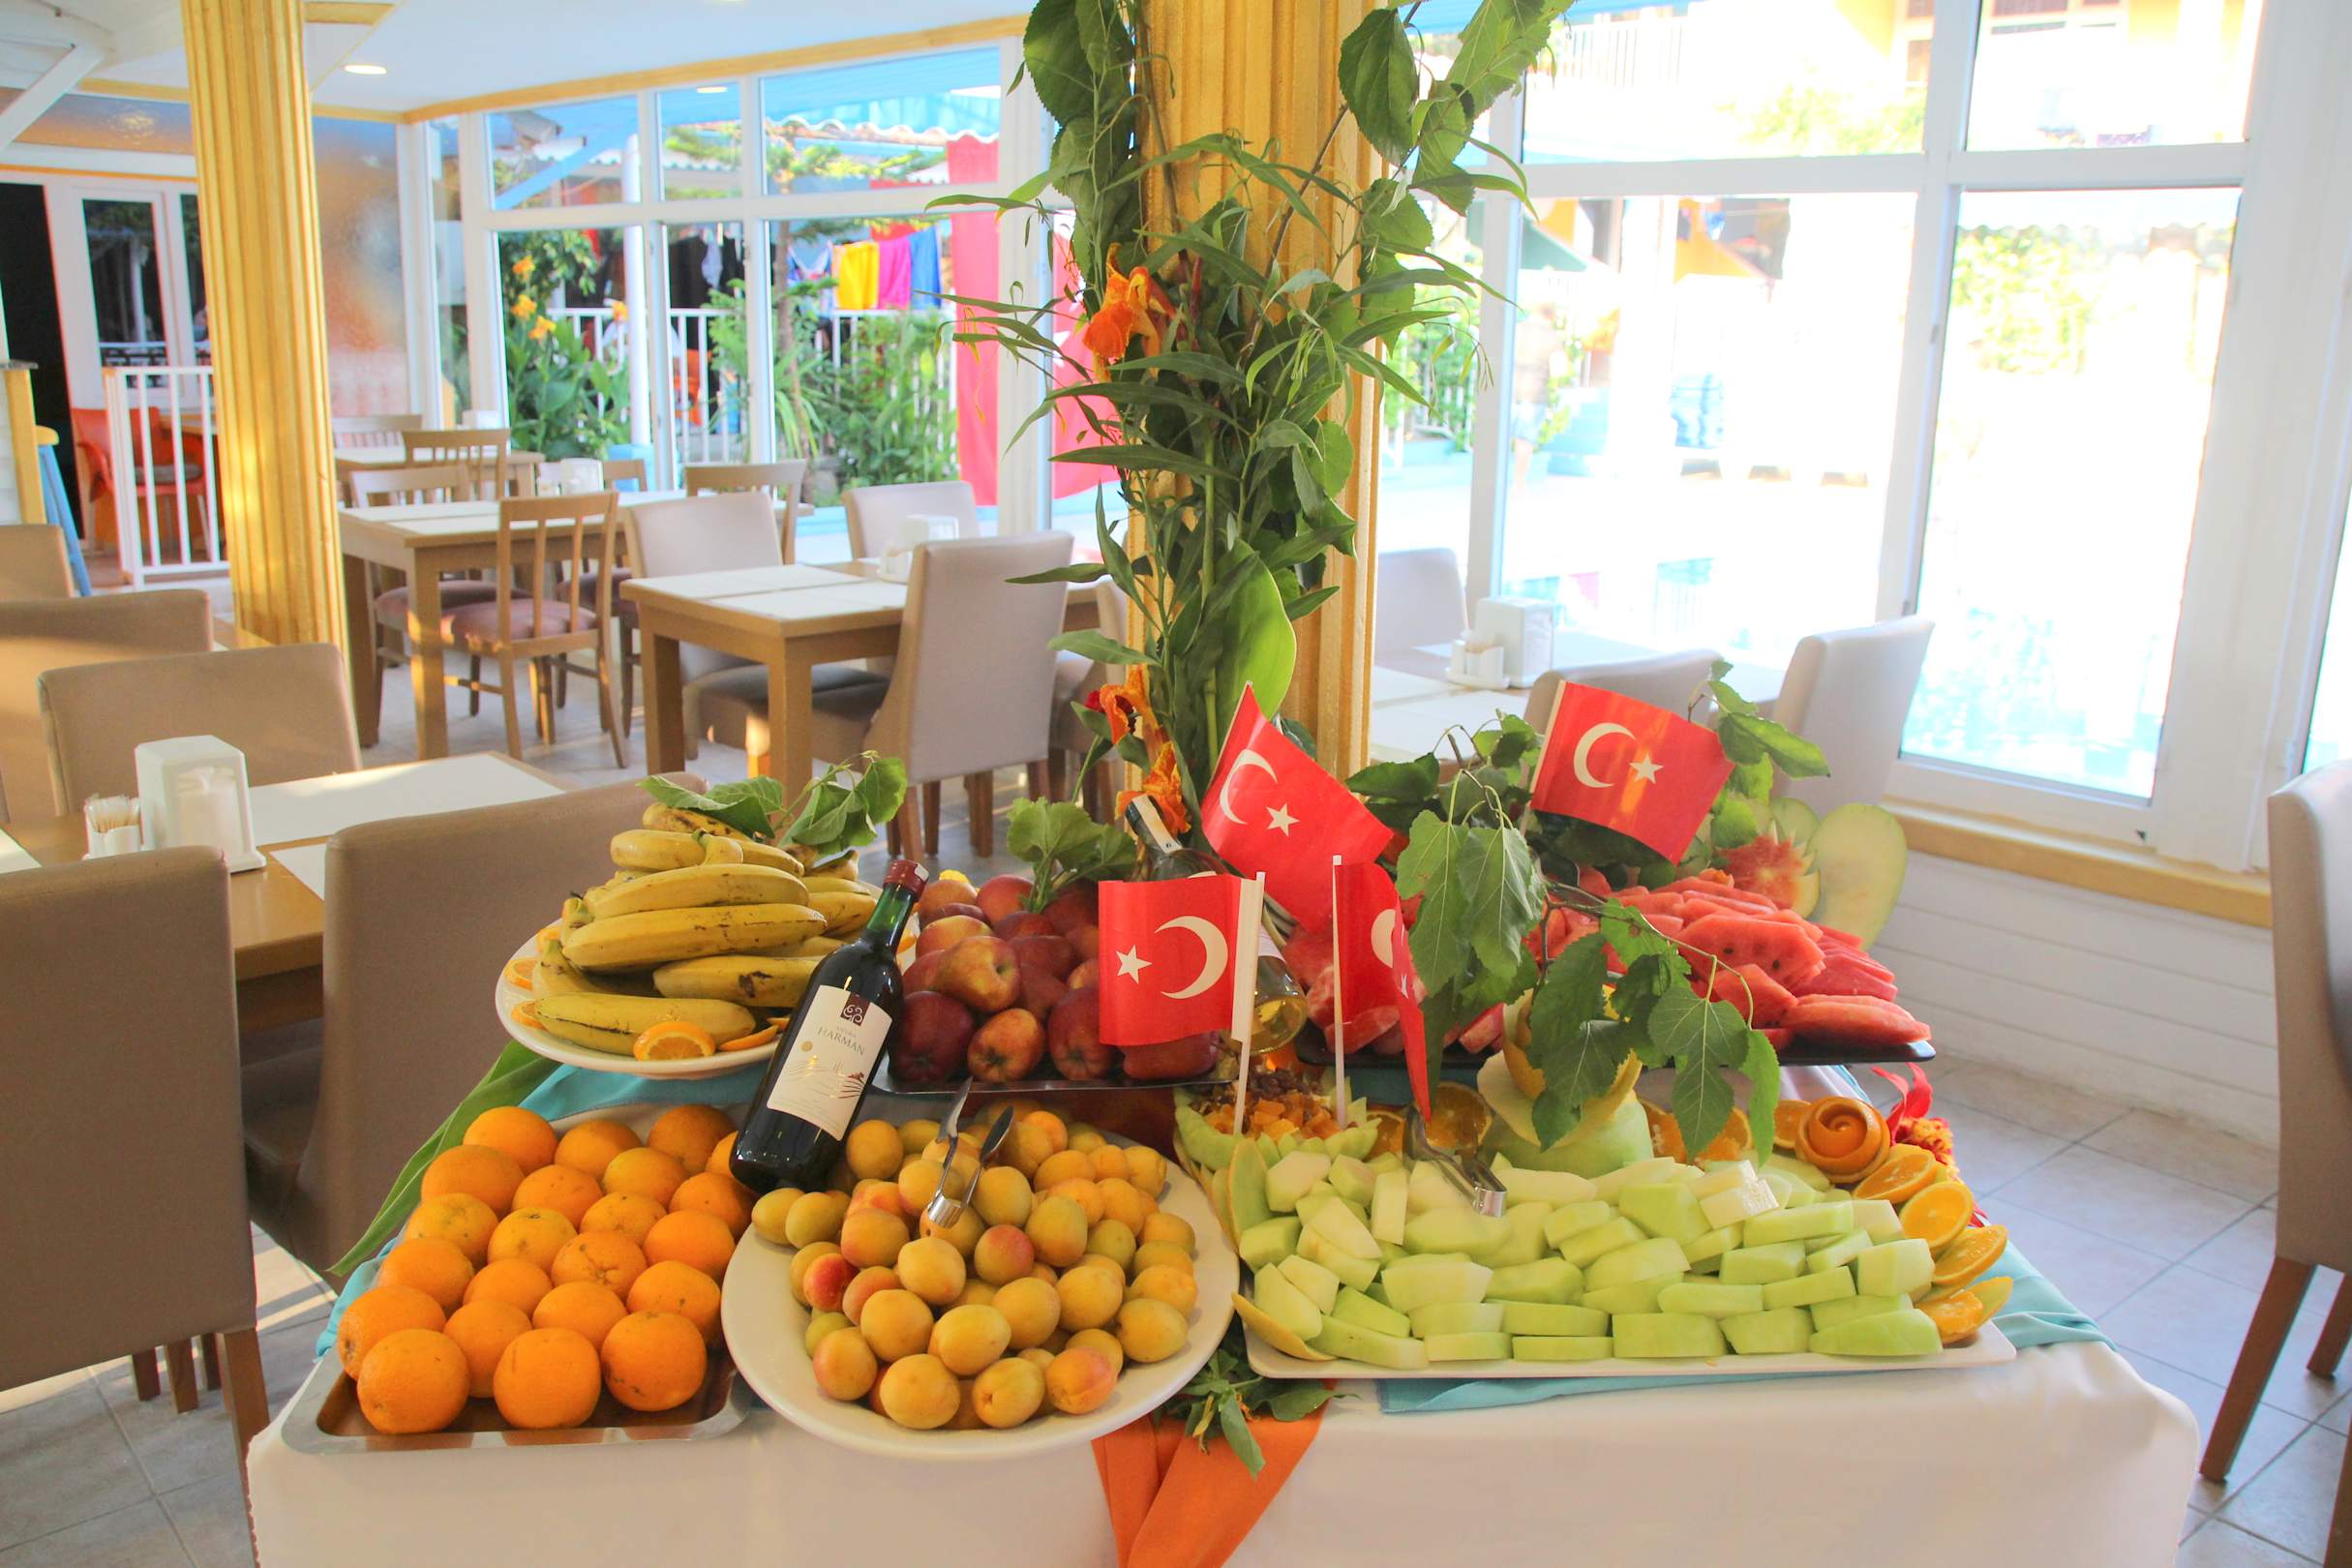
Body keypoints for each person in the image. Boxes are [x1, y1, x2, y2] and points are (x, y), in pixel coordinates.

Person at [1513, 302, 1570, 485]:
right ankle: (1518, 483)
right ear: (1551, 316)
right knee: (1525, 440)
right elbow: (1559, 369)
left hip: (1509, 390)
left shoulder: (1516, 330)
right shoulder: (1551, 337)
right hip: (1534, 393)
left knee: (1500, 436)